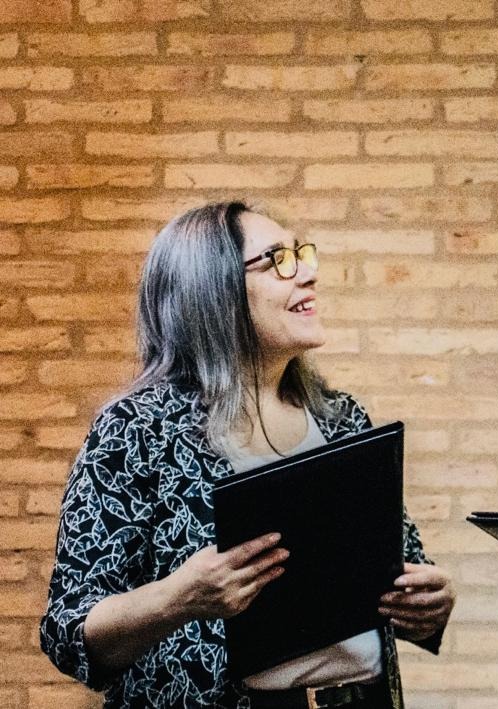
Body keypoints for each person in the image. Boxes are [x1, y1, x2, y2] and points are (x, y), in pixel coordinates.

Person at [40, 201, 455, 709]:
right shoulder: (138, 428)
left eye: (301, 253)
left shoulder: (342, 419)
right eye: (277, 258)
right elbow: (68, 633)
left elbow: (402, 568)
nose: (308, 271)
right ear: (211, 290)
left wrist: (429, 603)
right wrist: (179, 598)